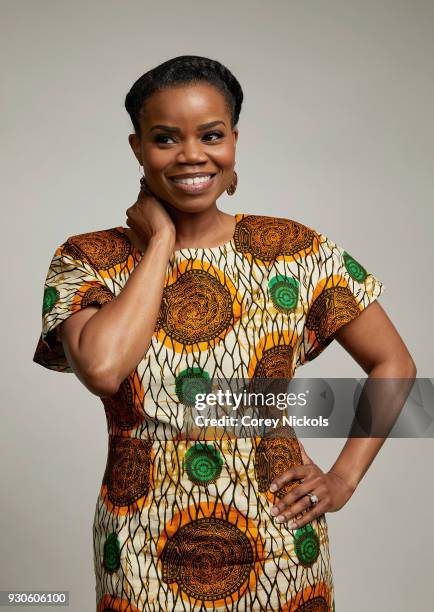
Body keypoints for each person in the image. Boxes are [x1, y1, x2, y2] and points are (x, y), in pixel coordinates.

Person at [33, 55, 416, 612]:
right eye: (165, 139)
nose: (191, 154)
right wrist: (160, 243)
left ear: (233, 140)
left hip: (282, 546)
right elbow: (102, 369)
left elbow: (395, 365)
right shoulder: (88, 258)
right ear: (137, 147)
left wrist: (343, 480)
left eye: (210, 135)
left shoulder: (295, 249)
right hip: (141, 546)